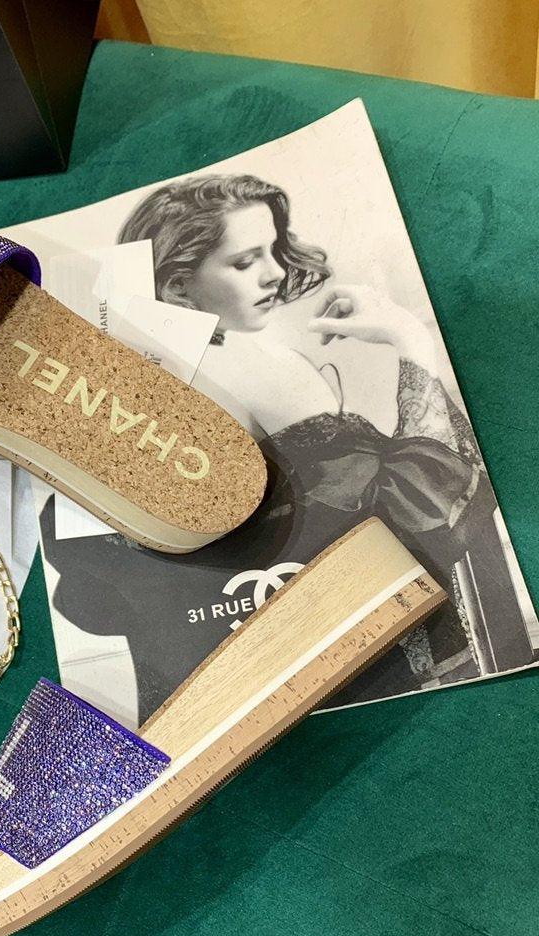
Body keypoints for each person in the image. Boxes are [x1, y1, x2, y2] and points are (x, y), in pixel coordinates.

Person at [42, 174, 533, 724]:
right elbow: (422, 509)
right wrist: (408, 339)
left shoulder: (126, 392)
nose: (275, 272)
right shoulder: (258, 367)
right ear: (178, 286)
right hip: (367, 661)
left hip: (219, 679)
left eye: (274, 249)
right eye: (245, 261)